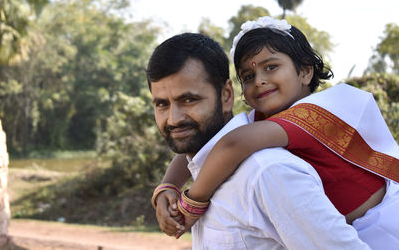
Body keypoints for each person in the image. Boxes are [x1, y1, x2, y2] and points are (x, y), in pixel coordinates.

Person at [156, 17, 399, 249]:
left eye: (270, 67)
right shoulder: (265, 121)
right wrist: (167, 186)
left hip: (379, 230)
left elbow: (230, 145)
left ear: (305, 71)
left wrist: (192, 203)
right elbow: (204, 148)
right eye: (248, 76)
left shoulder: (312, 113)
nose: (259, 81)